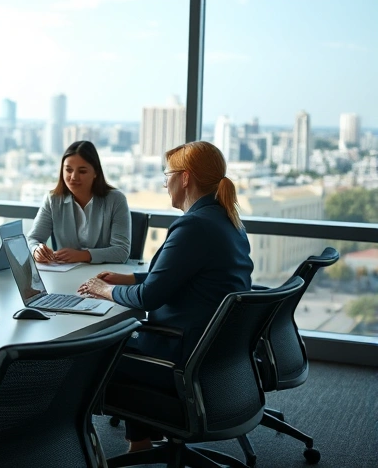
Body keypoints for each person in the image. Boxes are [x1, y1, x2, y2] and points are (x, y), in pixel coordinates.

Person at [78, 140, 253, 452]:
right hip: (210, 353)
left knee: (93, 353)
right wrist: (128, 277)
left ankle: (110, 445)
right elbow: (182, 277)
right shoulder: (226, 220)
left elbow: (148, 298)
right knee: (125, 338)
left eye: (167, 176)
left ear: (184, 178)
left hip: (178, 353)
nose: (165, 184)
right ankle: (142, 442)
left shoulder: (193, 226)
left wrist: (105, 290)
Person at [26, 140, 131, 264]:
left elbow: (122, 252)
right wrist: (36, 250)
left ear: (95, 172)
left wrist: (83, 255)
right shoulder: (53, 200)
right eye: (68, 170)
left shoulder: (116, 200)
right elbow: (33, 239)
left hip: (105, 276)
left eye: (82, 171)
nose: (74, 177)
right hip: (65, 274)